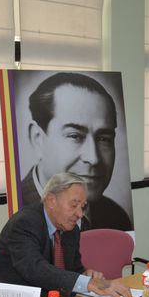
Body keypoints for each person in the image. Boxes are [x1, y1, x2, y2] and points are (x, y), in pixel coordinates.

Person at [0, 172, 132, 297]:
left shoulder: (71, 229)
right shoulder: (24, 223)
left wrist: (86, 275)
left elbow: (72, 270)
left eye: (82, 206)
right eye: (74, 205)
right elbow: (35, 268)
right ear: (51, 200)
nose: (80, 214)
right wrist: (86, 283)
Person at [19, 72, 133, 231]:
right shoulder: (20, 216)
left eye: (104, 139)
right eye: (74, 136)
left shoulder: (116, 217)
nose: (93, 158)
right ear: (37, 138)